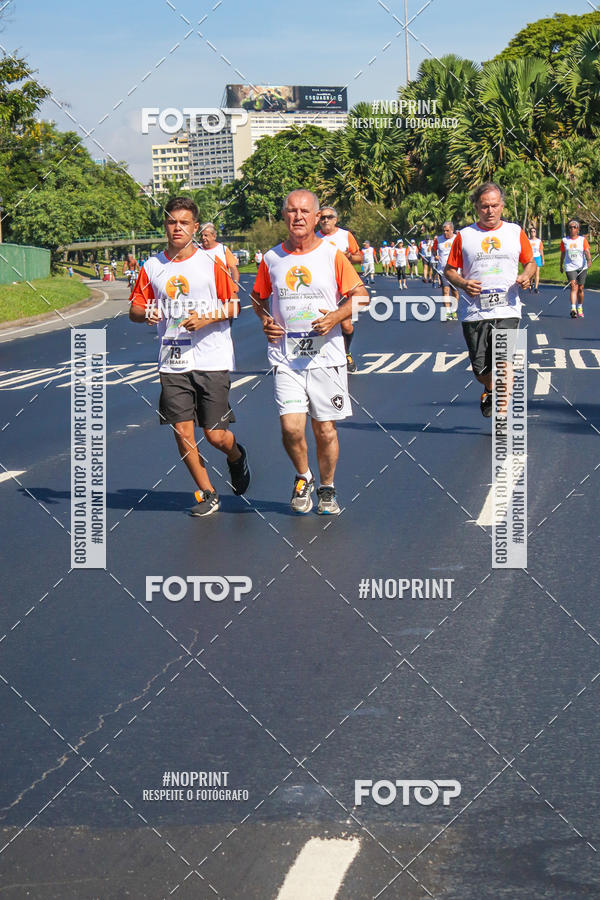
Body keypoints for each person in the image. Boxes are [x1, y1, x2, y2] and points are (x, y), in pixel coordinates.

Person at [129, 196, 250, 516]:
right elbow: (135, 309)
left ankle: (236, 456)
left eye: (184, 222)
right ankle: (208, 492)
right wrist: (148, 313)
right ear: (165, 226)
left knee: (214, 435)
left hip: (212, 358)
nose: (177, 227)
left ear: (195, 227)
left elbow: (234, 305)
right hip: (172, 359)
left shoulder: (212, 263)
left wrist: (207, 318)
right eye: (171, 222)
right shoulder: (152, 266)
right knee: (182, 430)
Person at [251, 189, 369, 515]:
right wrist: (265, 320)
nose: (298, 217)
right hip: (286, 356)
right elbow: (258, 297)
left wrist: (335, 316)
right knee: (291, 427)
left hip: (325, 356)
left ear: (316, 217)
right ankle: (303, 476)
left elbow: (361, 296)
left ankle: (327, 487)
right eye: (291, 211)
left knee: (325, 429)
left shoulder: (332, 255)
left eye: (305, 211)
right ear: (284, 215)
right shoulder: (272, 259)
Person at [444, 182, 536, 417]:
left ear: (502, 206)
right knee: (480, 368)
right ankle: (488, 387)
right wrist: (464, 283)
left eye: (495, 205)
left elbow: (531, 263)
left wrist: (526, 276)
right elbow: (450, 271)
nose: (490, 211)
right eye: (485, 206)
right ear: (476, 207)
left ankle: (503, 415)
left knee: (505, 362)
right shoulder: (465, 236)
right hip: (475, 311)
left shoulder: (515, 232)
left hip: (508, 309)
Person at [316, 206, 362, 373]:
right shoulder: (314, 238)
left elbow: (359, 257)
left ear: (335, 219)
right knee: (320, 323)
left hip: (343, 286)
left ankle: (345, 352)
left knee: (346, 326)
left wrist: (349, 256)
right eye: (322, 217)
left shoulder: (345, 235)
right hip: (321, 287)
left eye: (329, 217)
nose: (325, 220)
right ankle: (322, 358)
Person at [560, 220, 592, 318]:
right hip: (570, 267)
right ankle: (573, 309)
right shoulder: (565, 240)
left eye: (574, 227)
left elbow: (586, 251)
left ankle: (580, 307)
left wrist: (589, 260)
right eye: (570, 227)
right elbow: (562, 253)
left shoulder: (582, 240)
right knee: (574, 286)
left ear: (578, 229)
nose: (572, 229)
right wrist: (560, 265)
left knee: (581, 288)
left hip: (582, 266)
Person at [198, 222, 240, 289]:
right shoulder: (196, 249)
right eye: (201, 235)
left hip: (221, 290)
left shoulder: (223, 250)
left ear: (214, 236)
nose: (203, 238)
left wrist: (235, 285)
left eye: (206, 235)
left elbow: (234, 269)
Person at [432, 222, 459, 319]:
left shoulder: (457, 238)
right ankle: (447, 312)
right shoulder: (438, 240)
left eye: (447, 230)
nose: (445, 232)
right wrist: (435, 255)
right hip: (443, 270)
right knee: (445, 289)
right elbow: (433, 249)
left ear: (452, 230)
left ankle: (454, 310)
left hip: (455, 270)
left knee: (455, 291)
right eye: (443, 230)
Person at [528, 226, 545, 294]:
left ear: (536, 232)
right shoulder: (528, 241)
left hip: (537, 257)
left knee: (537, 273)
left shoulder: (539, 241)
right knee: (531, 274)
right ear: (530, 233)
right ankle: (530, 284)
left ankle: (536, 288)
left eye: (534, 231)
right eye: (531, 232)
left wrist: (543, 259)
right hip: (530, 258)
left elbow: (541, 251)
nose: (533, 233)